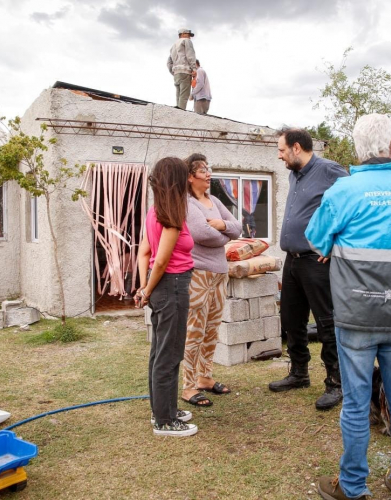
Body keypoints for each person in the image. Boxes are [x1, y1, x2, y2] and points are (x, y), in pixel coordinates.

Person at [307, 114, 391, 500]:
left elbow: (314, 240)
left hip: (357, 315)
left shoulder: (344, 191)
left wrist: (333, 247)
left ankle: (353, 486)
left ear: (358, 149)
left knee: (357, 404)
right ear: (390, 147)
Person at [268, 128, 348, 411]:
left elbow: (352, 205)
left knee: (326, 321)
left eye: (281, 150)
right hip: (292, 259)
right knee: (291, 318)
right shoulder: (294, 174)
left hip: (316, 261)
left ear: (297, 147)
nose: (279, 155)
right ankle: (299, 373)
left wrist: (335, 243)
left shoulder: (330, 171)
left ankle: (336, 382)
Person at [136, 157, 197, 437]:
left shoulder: (155, 211)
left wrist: (144, 288)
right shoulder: (171, 217)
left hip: (161, 287)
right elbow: (160, 261)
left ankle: (163, 409)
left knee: (160, 352)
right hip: (170, 286)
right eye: (185, 176)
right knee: (169, 355)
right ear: (177, 181)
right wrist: (147, 291)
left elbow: (144, 254)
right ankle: (164, 421)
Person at [181, 153, 241, 407]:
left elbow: (238, 227)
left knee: (212, 328)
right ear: (189, 177)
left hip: (220, 273)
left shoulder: (214, 200)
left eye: (208, 169)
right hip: (200, 274)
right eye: (203, 170)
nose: (208, 174)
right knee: (195, 329)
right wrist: (224, 232)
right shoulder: (187, 203)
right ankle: (188, 385)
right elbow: (199, 233)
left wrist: (221, 226)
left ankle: (205, 378)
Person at [167, 28, 197, 110]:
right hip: (185, 70)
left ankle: (177, 110)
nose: (189, 37)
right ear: (183, 34)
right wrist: (194, 69)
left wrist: (173, 72)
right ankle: (181, 113)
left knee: (178, 94)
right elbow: (190, 54)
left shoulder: (173, 46)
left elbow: (169, 62)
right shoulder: (186, 41)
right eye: (188, 35)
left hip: (176, 72)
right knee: (184, 95)